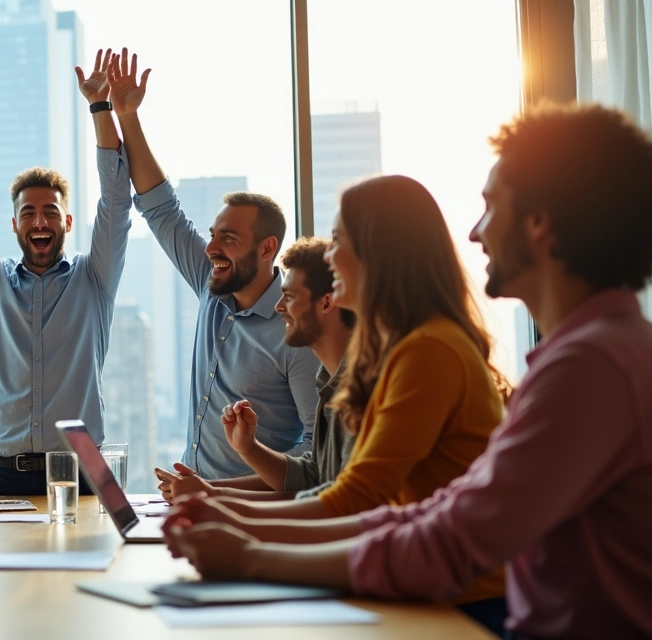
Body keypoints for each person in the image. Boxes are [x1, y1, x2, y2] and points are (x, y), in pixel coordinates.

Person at [166, 103, 652, 639]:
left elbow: (443, 536)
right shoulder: (585, 356)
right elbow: (429, 514)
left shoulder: (589, 369)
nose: (474, 232)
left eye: (491, 207)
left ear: (539, 224)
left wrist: (251, 552)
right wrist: (237, 528)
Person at [0, 52, 132, 495]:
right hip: (0, 471)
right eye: (27, 213)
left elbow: (116, 200)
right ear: (14, 225)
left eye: (50, 212)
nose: (39, 222)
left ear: (67, 223)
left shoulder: (95, 278)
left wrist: (100, 107)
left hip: (83, 470)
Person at [107, 50, 320, 481]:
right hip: (195, 504)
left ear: (267, 249)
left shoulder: (298, 332)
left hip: (251, 517)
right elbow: (161, 209)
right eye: (213, 234)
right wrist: (126, 115)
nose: (211, 248)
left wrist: (224, 491)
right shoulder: (213, 285)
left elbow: (317, 452)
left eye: (229, 238)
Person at [158, 238, 356, 503]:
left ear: (327, 303)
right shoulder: (327, 383)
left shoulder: (360, 392)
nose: (278, 306)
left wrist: (220, 503)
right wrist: (248, 449)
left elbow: (342, 505)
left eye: (290, 297)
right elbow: (312, 474)